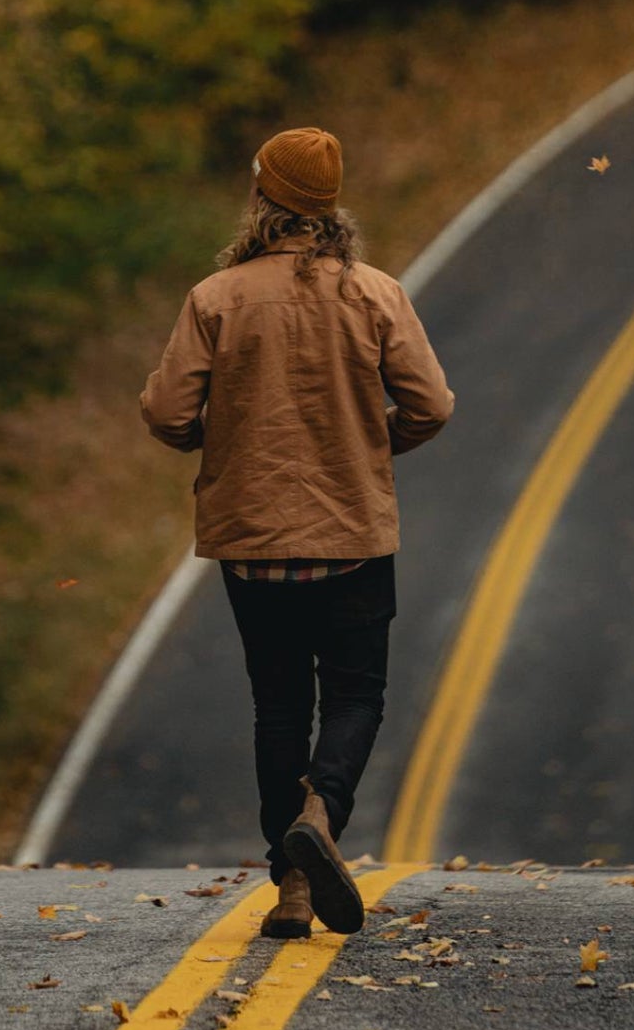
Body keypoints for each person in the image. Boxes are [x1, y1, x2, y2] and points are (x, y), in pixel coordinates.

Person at [140, 126, 455, 938]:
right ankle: (322, 812)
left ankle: (292, 890)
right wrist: (372, 441)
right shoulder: (375, 293)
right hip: (353, 531)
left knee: (277, 707)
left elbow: (170, 413)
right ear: (329, 208)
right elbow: (432, 405)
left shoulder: (217, 299)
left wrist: (217, 440)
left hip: (252, 544)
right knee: (356, 695)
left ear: (262, 199)